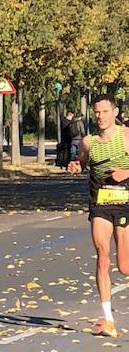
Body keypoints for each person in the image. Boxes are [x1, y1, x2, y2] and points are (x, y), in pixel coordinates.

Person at [68, 93, 129, 337]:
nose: (100, 116)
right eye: (97, 112)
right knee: (102, 255)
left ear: (115, 112)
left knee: (124, 267)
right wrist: (76, 166)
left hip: (126, 204)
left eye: (105, 112)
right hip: (100, 204)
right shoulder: (89, 142)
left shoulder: (126, 137)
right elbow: (82, 163)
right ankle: (108, 319)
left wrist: (126, 171)